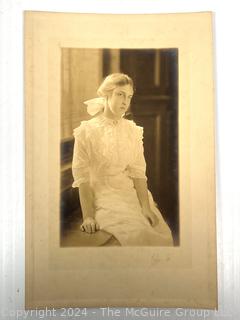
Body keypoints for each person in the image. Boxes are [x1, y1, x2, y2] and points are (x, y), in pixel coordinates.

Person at [72, 73, 173, 246]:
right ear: (106, 95)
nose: (125, 101)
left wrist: (145, 207)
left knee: (160, 233)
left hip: (129, 193)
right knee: (135, 234)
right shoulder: (86, 131)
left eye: (129, 96)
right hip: (102, 195)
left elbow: (138, 173)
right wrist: (88, 216)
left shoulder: (133, 131)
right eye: (120, 94)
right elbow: (83, 178)